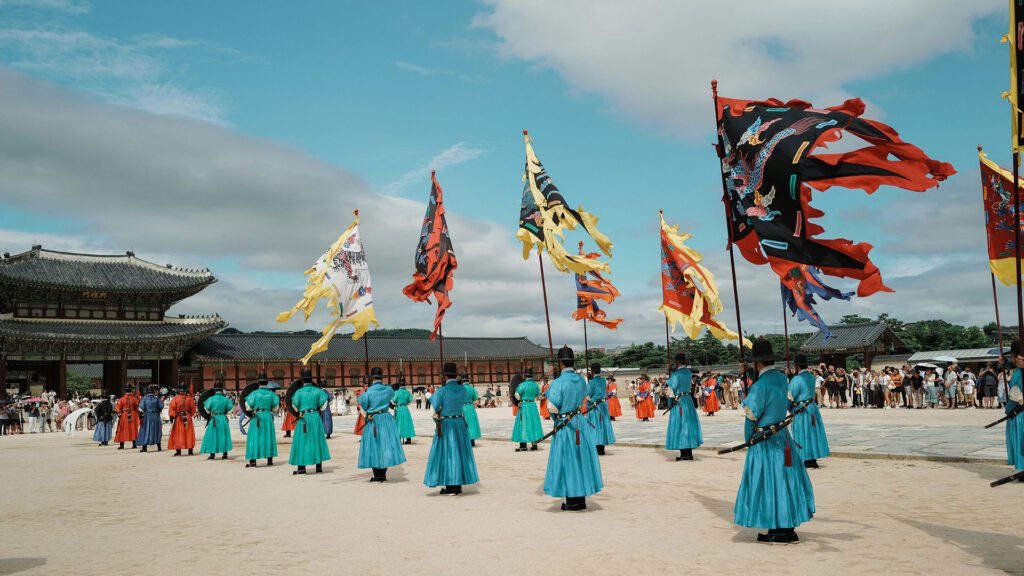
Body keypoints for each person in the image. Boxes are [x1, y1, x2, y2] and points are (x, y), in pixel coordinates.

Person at [734, 338, 815, 544]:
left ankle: (777, 530)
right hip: (783, 437)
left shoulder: (759, 386)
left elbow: (751, 416)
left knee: (769, 482)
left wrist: (748, 440)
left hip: (765, 441)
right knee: (786, 480)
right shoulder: (781, 379)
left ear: (757, 363)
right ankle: (788, 528)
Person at [544, 346, 603, 511]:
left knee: (568, 460)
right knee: (581, 458)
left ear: (561, 362)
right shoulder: (580, 380)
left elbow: (553, 407)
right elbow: (586, 398)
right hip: (580, 422)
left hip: (565, 425)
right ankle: (581, 498)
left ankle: (571, 501)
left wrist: (555, 419)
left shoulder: (558, 382)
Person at [424, 363, 479, 495]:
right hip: (459, 422)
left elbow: (433, 411)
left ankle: (450, 486)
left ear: (445, 376)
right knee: (460, 453)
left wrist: (437, 421)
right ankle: (458, 485)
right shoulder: (463, 390)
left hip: (446, 423)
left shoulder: (441, 391)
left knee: (448, 454)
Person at [358, 368, 407, 482]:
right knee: (385, 445)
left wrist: (367, 416)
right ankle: (383, 474)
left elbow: (363, 407)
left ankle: (377, 475)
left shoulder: (368, 391)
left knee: (373, 445)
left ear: (372, 378)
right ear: (381, 377)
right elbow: (392, 399)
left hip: (373, 419)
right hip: (386, 418)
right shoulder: (388, 389)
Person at [788, 355, 830, 469]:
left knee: (801, 432)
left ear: (796, 366)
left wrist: (789, 408)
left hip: (801, 410)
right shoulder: (811, 377)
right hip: (812, 407)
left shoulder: (796, 379)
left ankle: (804, 457)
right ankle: (812, 458)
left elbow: (790, 396)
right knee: (812, 433)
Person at [288, 368, 331, 475]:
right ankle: (319, 466)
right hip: (315, 416)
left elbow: (294, 406)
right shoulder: (318, 391)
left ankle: (302, 467)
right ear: (311, 380)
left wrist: (300, 412)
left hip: (303, 418)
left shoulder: (298, 392)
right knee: (317, 439)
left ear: (302, 380)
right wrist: (316, 411)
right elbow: (324, 404)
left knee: (302, 441)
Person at [665, 353, 703, 461]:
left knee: (680, 426)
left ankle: (683, 454)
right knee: (688, 425)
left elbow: (672, 389)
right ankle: (689, 453)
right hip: (688, 400)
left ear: (677, 362)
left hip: (679, 401)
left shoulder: (676, 375)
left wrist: (670, 403)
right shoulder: (688, 373)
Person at [244, 373, 279, 468]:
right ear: (267, 382)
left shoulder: (254, 394)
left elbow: (248, 407)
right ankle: (270, 460)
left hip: (257, 417)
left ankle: (253, 461)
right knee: (268, 436)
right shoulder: (271, 394)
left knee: (254, 437)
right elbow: (275, 409)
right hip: (268, 416)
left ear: (258, 382)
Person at [585, 364, 616, 456]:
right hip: (602, 405)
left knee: (594, 426)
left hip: (594, 407)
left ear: (592, 371)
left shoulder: (591, 382)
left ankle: (595, 447)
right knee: (602, 426)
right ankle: (601, 449)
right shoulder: (604, 380)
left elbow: (589, 395)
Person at [511, 367, 543, 451]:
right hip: (532, 405)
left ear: (525, 376)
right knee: (534, 423)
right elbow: (539, 396)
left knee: (523, 424)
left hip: (524, 405)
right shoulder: (535, 385)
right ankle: (534, 445)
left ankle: (523, 445)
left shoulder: (522, 385)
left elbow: (517, 396)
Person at [1005, 341, 1024, 477]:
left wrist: (1008, 410)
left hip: (1019, 413)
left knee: (1020, 442)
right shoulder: (1018, 370)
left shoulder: (1019, 372)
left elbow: (1014, 394)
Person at [200, 383, 234, 460]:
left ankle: (212, 454)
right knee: (223, 435)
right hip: (222, 418)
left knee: (213, 435)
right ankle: (225, 454)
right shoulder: (226, 399)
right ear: (222, 390)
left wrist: (210, 413)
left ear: (215, 390)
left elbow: (207, 409)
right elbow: (230, 408)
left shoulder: (211, 399)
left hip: (214, 418)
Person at [168, 387, 196, 456]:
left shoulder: (175, 398)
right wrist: (189, 414)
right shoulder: (190, 398)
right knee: (189, 433)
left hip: (179, 417)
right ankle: (190, 451)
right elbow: (193, 409)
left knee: (178, 433)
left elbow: (172, 409)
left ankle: (178, 451)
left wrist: (174, 415)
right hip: (188, 417)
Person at [136, 385, 164, 452]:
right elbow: (161, 406)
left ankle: (144, 448)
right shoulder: (156, 399)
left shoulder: (144, 399)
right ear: (153, 392)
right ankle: (159, 447)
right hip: (156, 416)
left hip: (147, 416)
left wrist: (141, 418)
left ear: (147, 392)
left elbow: (140, 409)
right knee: (157, 430)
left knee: (145, 431)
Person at [461, 374, 481, 447]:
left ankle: (464, 440)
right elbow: (476, 398)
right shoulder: (472, 389)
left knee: (463, 423)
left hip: (462, 407)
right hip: (470, 407)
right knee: (472, 423)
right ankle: (472, 441)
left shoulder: (460, 388)